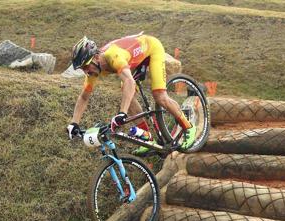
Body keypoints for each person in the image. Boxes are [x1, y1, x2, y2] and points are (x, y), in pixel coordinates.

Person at [66, 34, 195, 153]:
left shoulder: (114, 56)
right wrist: (74, 123)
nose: (85, 71)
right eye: (82, 68)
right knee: (128, 94)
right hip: (134, 59)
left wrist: (122, 113)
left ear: (95, 57)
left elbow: (129, 81)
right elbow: (84, 96)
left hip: (151, 48)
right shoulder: (94, 69)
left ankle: (188, 127)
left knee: (159, 96)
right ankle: (147, 139)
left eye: (86, 66)